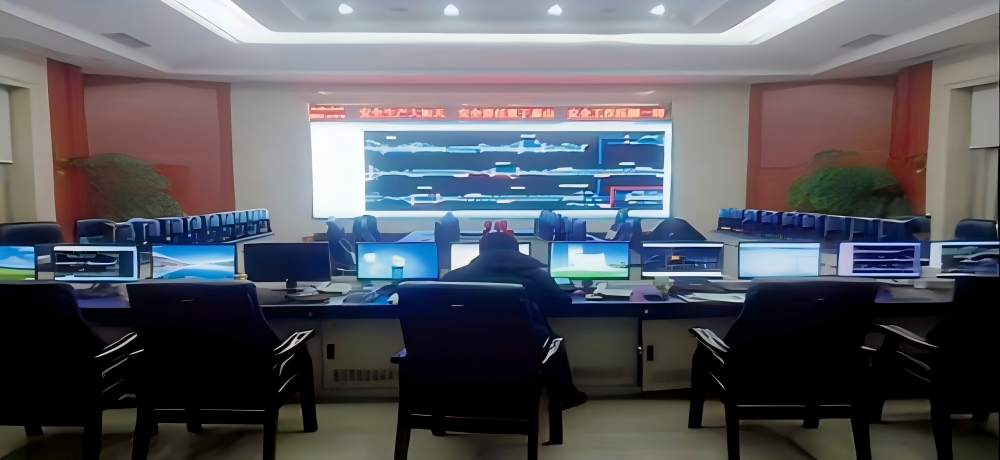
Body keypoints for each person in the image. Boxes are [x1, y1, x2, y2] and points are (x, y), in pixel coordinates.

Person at [441, 232, 587, 410]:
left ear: (481, 251)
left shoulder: (453, 277)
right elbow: (563, 303)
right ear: (516, 250)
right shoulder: (537, 275)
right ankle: (565, 395)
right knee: (554, 342)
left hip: (466, 345)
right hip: (523, 344)